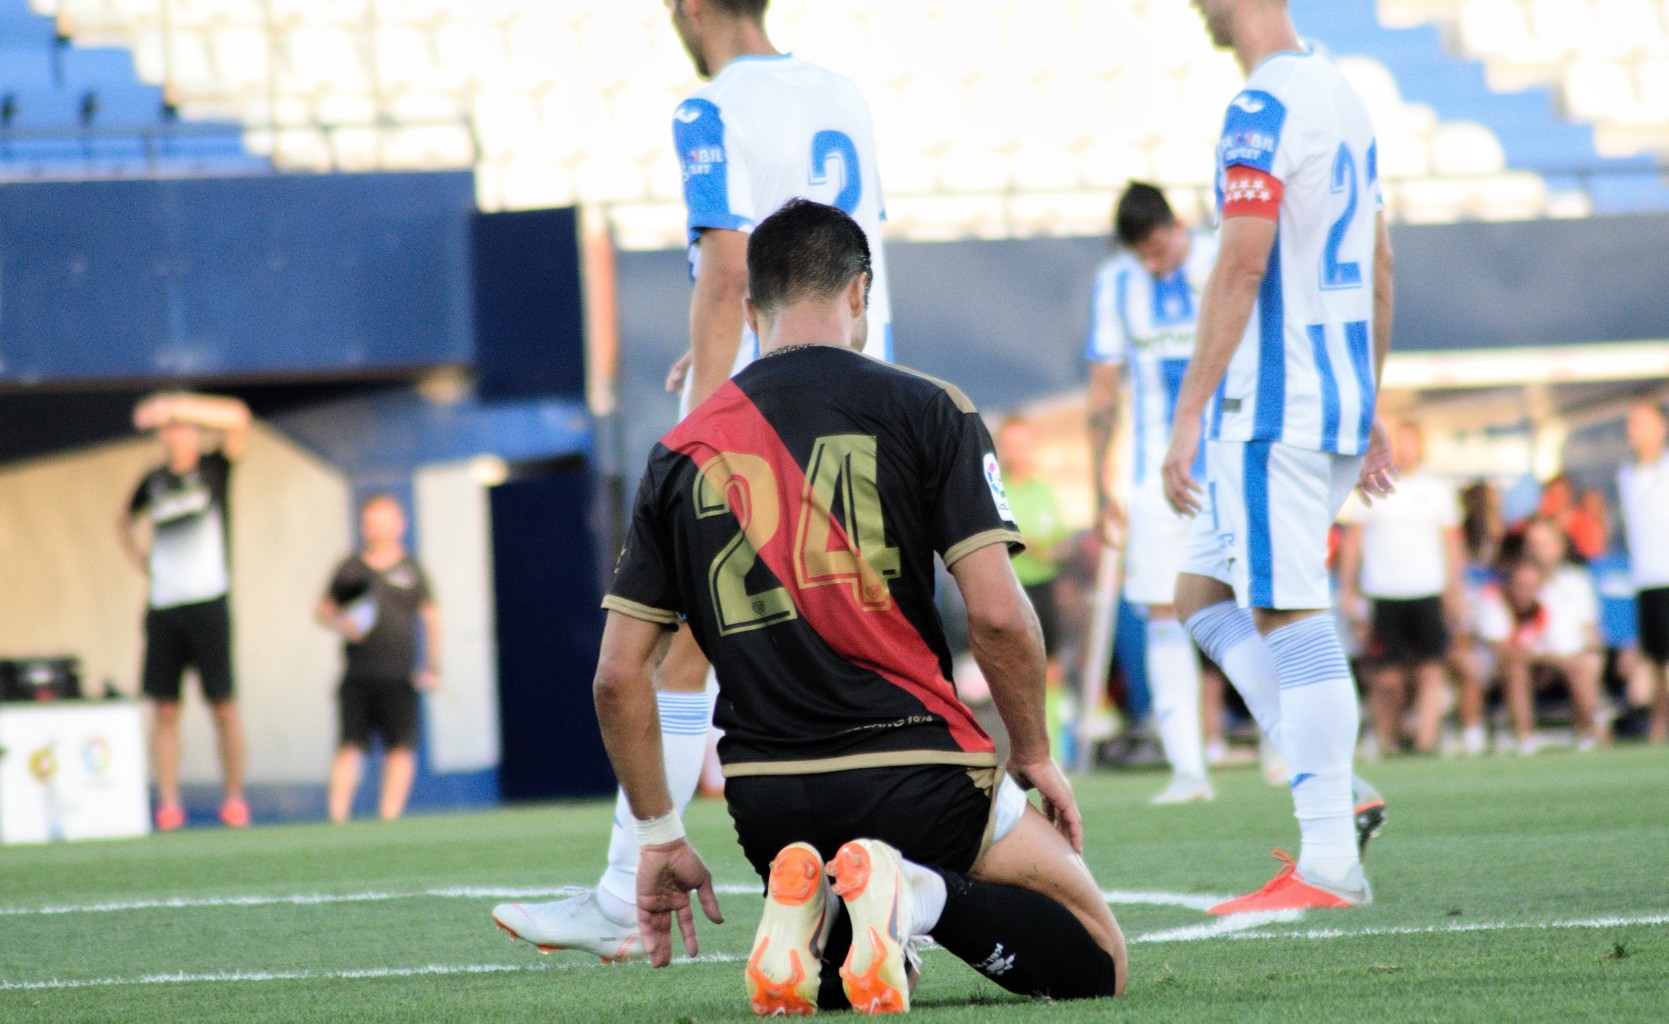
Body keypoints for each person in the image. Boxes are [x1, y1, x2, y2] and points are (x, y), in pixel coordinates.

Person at [494, 199, 1124, 1014]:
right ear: (860, 293)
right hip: (917, 772)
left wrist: (657, 836)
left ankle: (814, 908)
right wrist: (1033, 750)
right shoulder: (931, 407)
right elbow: (1000, 618)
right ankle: (913, 896)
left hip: (768, 796)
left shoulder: (679, 451)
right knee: (1098, 958)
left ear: (751, 309)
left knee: (847, 966)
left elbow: (618, 677)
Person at [496, 0, 897, 961]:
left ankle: (622, 894)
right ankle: (905, 891)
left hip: (768, 423)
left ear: (687, 8)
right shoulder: (841, 92)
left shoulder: (707, 111)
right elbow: (849, 268)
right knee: (850, 648)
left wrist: (707, 418)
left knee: (672, 643)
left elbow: (726, 270)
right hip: (865, 401)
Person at [1162, 0, 1395, 915]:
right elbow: (1379, 267)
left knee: (1290, 618)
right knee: (1197, 596)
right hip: (1329, 395)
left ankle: (1330, 858)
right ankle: (1340, 790)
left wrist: (1188, 413)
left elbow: (1241, 265)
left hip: (1270, 407)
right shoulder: (1344, 92)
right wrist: (1369, 399)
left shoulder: (1259, 107)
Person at [1086, 181, 1222, 804]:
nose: (1148, 263)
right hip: (1153, 478)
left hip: (1230, 462)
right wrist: (1098, 483)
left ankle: (1284, 745)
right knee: (1166, 611)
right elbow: (1104, 388)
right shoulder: (1116, 284)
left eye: (1153, 248)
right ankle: (1188, 769)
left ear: (1172, 227)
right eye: (1137, 253)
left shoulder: (1223, 258)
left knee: (1261, 602)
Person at [117, 391, 253, 832]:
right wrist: (141, 560)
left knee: (223, 707)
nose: (176, 434)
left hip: (209, 602)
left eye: (182, 426)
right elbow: (124, 520)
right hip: (164, 606)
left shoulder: (214, 468)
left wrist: (174, 405)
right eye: (169, 428)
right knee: (166, 709)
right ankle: (170, 805)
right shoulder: (153, 480)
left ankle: (234, 799)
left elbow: (237, 417)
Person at [1336, 422, 1463, 755]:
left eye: (1410, 444)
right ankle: (1388, 740)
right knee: (1386, 676)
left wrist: (1455, 589)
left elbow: (1451, 543)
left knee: (1431, 669)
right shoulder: (1370, 487)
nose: (1405, 451)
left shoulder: (1438, 490)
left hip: (1427, 589)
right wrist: (1347, 589)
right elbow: (1353, 542)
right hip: (1383, 591)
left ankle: (1426, 741)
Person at [315, 495, 441, 822]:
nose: (380, 529)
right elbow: (324, 610)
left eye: (387, 521)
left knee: (400, 748)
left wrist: (433, 665)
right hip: (358, 674)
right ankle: (338, 818)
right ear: (365, 528)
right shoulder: (351, 569)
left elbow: (431, 618)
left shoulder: (411, 570)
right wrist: (342, 623)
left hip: (400, 675)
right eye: (374, 522)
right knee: (350, 745)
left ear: (400, 525)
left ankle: (390, 816)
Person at [1478, 517, 1605, 752]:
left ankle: (1588, 733)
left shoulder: (1576, 581)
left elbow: (1590, 632)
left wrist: (1590, 654)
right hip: (1525, 660)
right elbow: (1502, 646)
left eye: (1545, 544)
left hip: (1571, 659)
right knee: (1515, 667)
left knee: (1586, 665)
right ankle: (1526, 740)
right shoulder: (1507, 587)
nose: (1539, 552)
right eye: (1533, 544)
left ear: (1560, 547)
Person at [1618, 400, 1669, 744]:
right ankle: (1659, 727)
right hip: (1644, 579)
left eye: (1641, 423)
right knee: (1655, 660)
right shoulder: (1627, 476)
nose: (1633, 431)